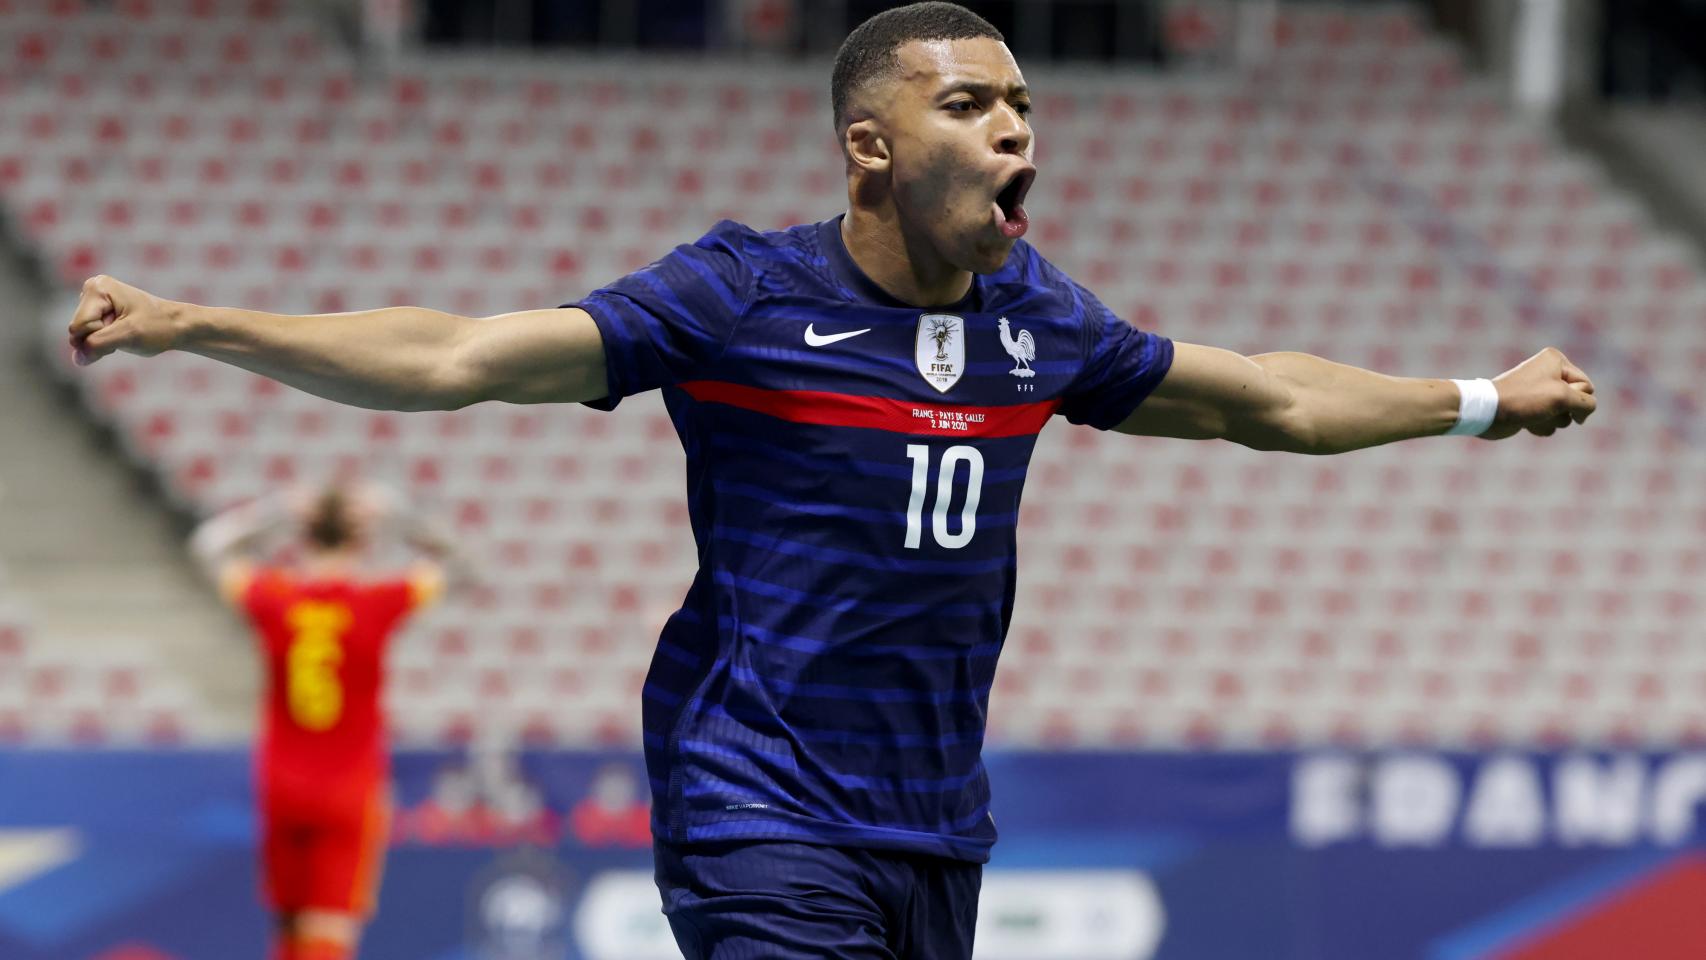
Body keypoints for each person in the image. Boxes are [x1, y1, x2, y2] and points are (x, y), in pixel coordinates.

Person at [72, 4, 1596, 956]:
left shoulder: (1038, 319)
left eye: (1020, 105)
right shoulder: (740, 297)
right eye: (969, 104)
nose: (1012, 124)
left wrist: (1475, 401)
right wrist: (204, 325)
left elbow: (1267, 400)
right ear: (869, 150)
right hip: (757, 805)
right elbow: (461, 351)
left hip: (933, 823)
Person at [189, 485, 459, 960]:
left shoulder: (275, 597)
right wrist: (399, 515)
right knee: (328, 927)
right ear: (360, 541)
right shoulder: (377, 599)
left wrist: (272, 509)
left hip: (281, 782)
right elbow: (457, 563)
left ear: (304, 537)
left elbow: (209, 546)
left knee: (289, 923)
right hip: (348, 787)